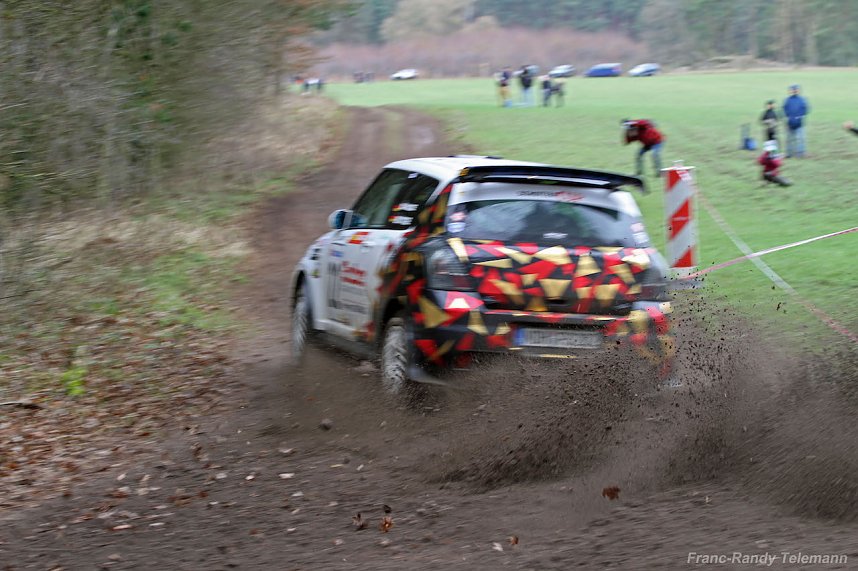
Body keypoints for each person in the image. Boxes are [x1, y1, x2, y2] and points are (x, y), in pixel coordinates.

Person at [782, 84, 809, 157]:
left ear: (799, 90)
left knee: (800, 138)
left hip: (799, 123)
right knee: (789, 139)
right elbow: (784, 110)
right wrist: (788, 118)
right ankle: (789, 153)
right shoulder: (787, 100)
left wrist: (800, 116)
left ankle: (801, 153)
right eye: (793, 90)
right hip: (789, 123)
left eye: (796, 89)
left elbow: (806, 109)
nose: (794, 91)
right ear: (790, 91)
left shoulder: (803, 100)